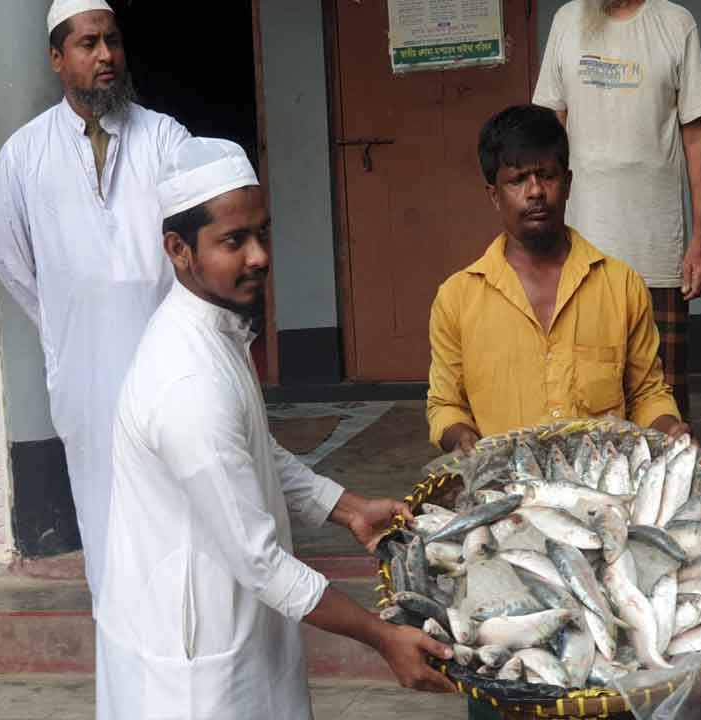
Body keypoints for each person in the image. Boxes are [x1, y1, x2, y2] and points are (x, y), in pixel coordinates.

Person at [94, 137, 456, 720]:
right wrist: (382, 635)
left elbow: (256, 451)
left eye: (262, 233)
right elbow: (259, 561)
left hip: (238, 624)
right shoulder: (186, 379)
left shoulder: (215, 331)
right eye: (233, 241)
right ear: (177, 249)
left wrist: (348, 508)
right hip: (193, 667)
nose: (259, 256)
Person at [429, 102, 691, 720]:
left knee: (605, 681)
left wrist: (669, 427)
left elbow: (648, 389)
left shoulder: (620, 284)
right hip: (508, 528)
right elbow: (444, 403)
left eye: (547, 175)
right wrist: (463, 439)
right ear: (492, 192)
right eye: (518, 179)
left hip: (604, 528)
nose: (535, 192)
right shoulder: (458, 297)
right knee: (509, 679)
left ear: (568, 181)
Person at [0, 0, 191, 596]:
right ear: (57, 58)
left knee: (180, 516)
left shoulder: (165, 137)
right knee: (106, 519)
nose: (106, 56)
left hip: (168, 361)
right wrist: (68, 325)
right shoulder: (23, 154)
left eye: (113, 41)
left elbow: (196, 247)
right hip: (83, 372)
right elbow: (12, 263)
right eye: (87, 44)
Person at [532, 0, 701, 418]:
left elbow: (696, 136)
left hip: (656, 249)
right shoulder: (567, 21)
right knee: (584, 402)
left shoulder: (675, 23)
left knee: (663, 404)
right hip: (578, 251)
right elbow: (547, 132)